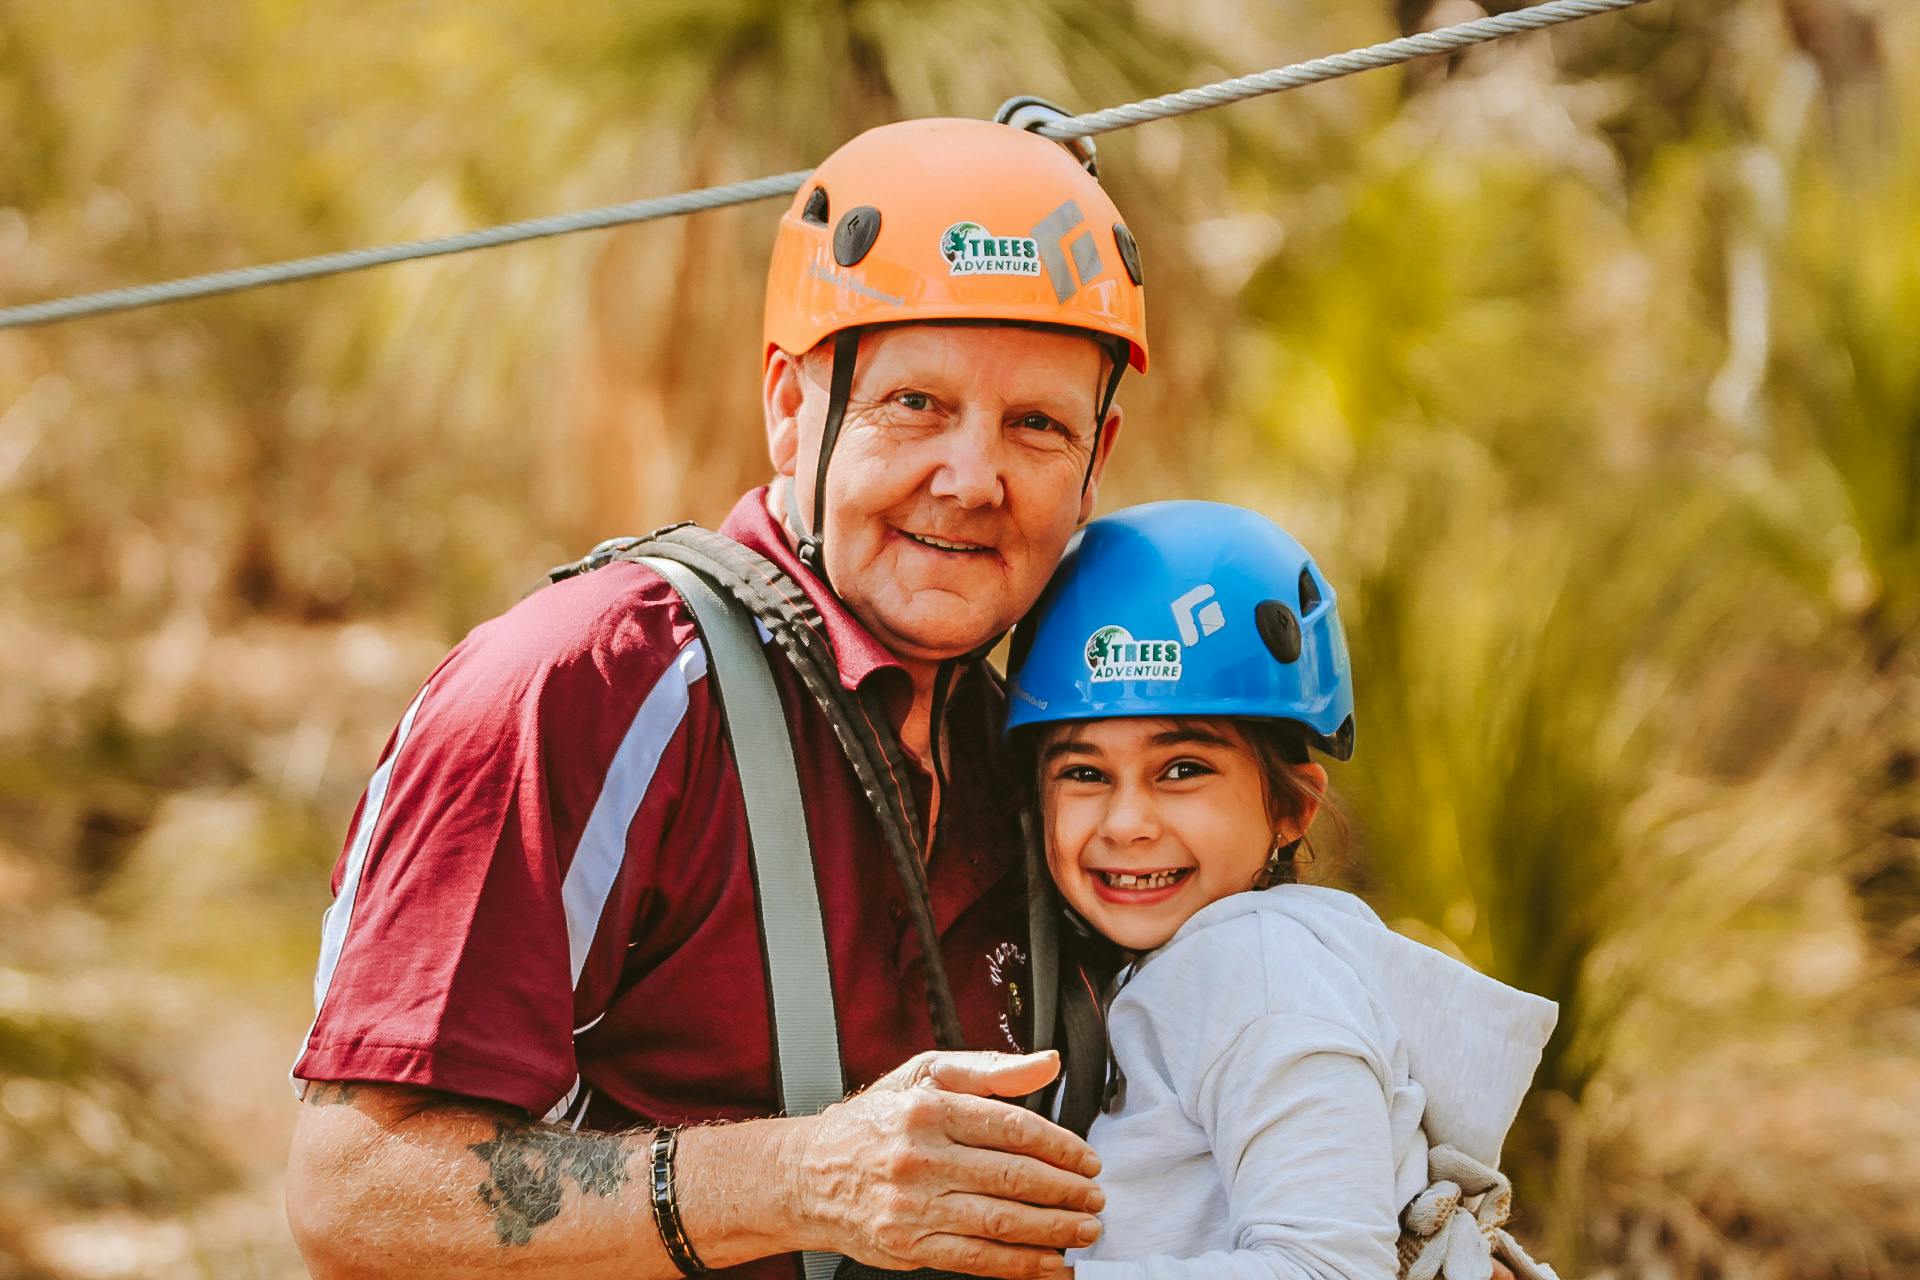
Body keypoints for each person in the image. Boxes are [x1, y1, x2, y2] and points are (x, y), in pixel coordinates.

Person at [284, 114, 1149, 1280]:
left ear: (1096, 460)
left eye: (1037, 425)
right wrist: (798, 1179)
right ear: (794, 409)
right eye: (915, 404)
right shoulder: (591, 684)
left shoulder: (1057, 759)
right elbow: (355, 1188)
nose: (973, 478)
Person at [1002, 501, 1562, 1280]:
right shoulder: (1177, 965)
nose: (1127, 822)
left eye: (1183, 770)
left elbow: (1325, 1271)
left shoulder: (1260, 979)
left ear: (1291, 807)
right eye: (1085, 773)